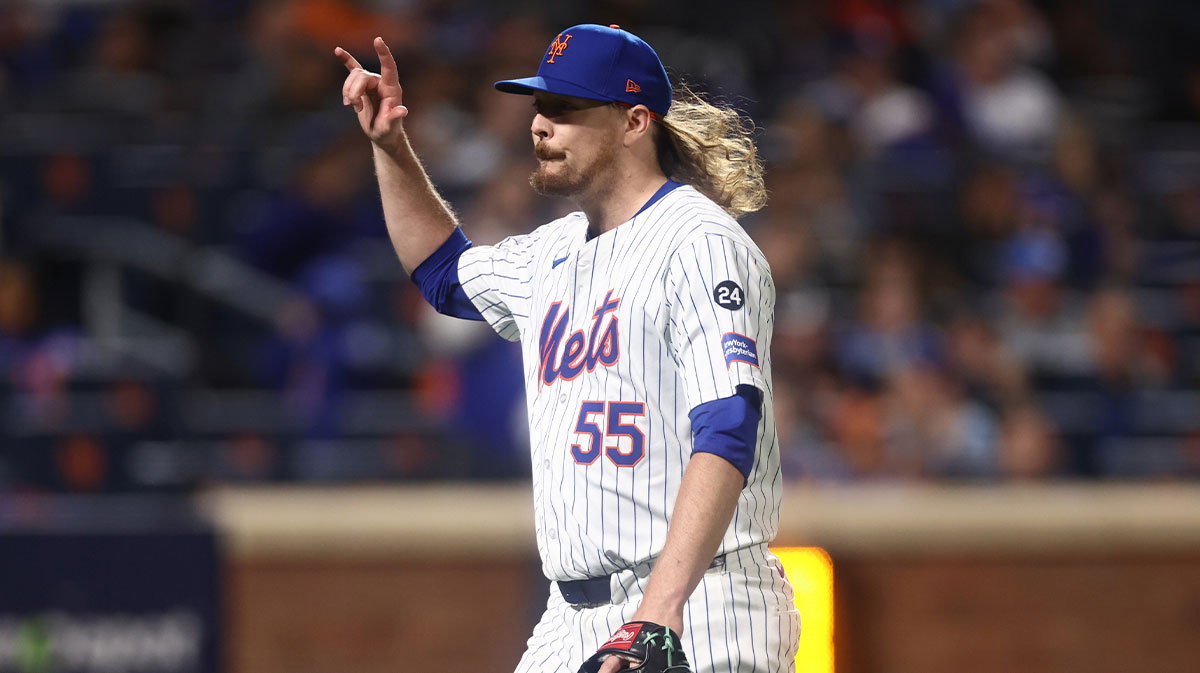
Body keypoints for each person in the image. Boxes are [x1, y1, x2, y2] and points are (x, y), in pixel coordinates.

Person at [336, 23, 800, 673]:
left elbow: (729, 426)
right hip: (569, 616)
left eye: (565, 108)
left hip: (701, 600)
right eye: (539, 107)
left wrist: (660, 610)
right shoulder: (548, 253)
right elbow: (443, 275)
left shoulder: (699, 242)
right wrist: (390, 145)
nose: (539, 125)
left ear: (635, 121)